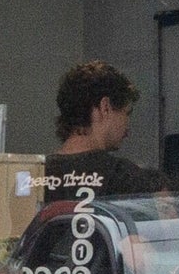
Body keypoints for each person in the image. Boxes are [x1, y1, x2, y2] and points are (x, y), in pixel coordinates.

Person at [41, 59, 163, 203]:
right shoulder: (123, 176)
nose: (127, 129)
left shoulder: (34, 176)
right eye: (126, 113)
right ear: (105, 107)